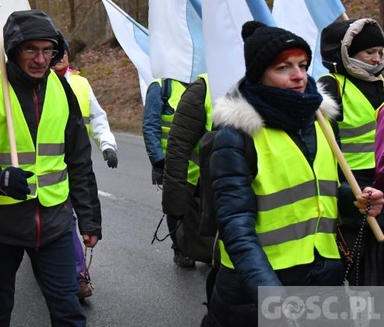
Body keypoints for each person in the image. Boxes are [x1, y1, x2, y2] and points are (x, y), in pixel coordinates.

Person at [206, 21, 384, 326]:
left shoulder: (322, 123)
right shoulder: (236, 136)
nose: (299, 75)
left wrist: (354, 200)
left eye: (302, 64)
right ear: (259, 73)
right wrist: (272, 298)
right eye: (283, 67)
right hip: (257, 288)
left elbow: (322, 190)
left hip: (321, 279)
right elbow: (236, 228)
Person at [0, 9, 102, 327]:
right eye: (31, 49)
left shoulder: (63, 91)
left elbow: (79, 161)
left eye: (48, 50)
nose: (40, 59)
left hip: (55, 225)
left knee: (69, 311)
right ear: (14, 50)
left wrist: (89, 219)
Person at [319, 18, 384, 286]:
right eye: (369, 53)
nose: (376, 59)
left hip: (381, 180)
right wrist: (343, 190)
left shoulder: (382, 81)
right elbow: (325, 143)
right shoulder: (330, 85)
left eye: (381, 53)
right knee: (359, 258)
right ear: (347, 53)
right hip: (352, 184)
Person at [52, 40, 116, 300]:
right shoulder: (33, 85)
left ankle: (76, 274)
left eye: (63, 52)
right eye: (55, 53)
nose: (60, 57)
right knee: (64, 220)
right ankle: (73, 273)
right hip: (46, 165)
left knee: (73, 217)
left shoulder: (81, 83)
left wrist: (108, 146)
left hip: (76, 163)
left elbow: (97, 118)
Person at [161, 74, 215, 265]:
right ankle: (180, 248)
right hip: (200, 186)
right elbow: (178, 145)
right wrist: (174, 201)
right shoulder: (203, 89)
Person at [142, 75, 194, 267]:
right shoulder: (161, 87)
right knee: (176, 206)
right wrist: (158, 160)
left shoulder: (203, 82)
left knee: (201, 206)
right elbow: (150, 124)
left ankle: (201, 247)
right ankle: (180, 249)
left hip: (198, 161)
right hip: (170, 162)